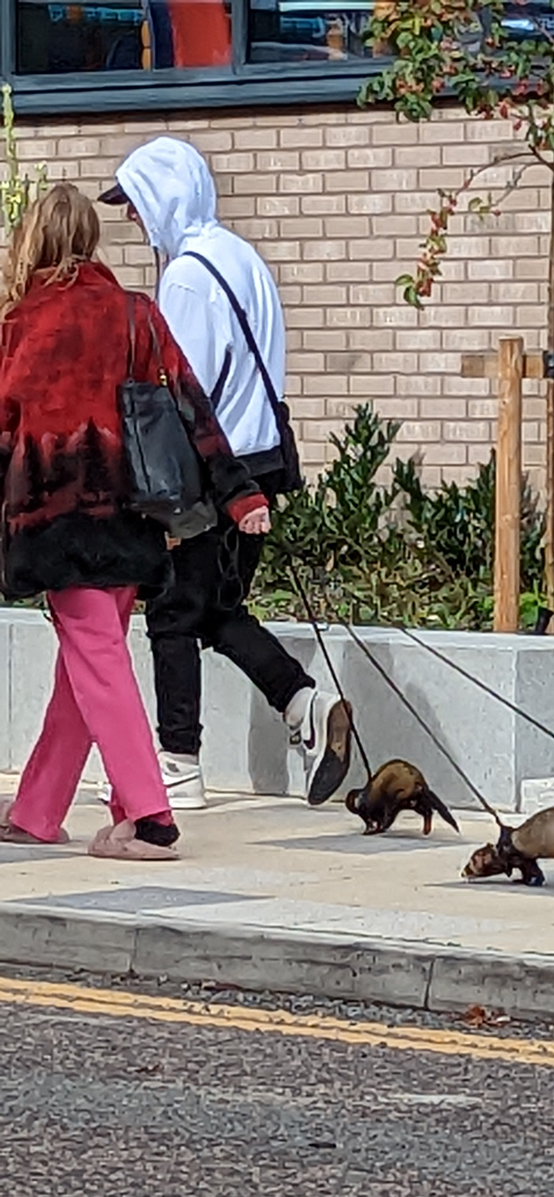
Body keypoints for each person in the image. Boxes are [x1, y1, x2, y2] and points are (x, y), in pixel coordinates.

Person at [0, 184, 270, 859]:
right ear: (90, 240)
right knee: (87, 664)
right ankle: (37, 809)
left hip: (58, 522)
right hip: (133, 514)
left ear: (31, 242)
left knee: (95, 660)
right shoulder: (135, 314)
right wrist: (240, 494)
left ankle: (150, 816)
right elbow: (190, 405)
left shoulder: (20, 326)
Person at [97, 136, 351, 811]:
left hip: (211, 473)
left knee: (174, 615)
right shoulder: (243, 258)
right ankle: (302, 701)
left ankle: (178, 764)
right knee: (215, 609)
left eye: (134, 202)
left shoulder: (185, 276)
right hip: (261, 463)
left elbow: (181, 391)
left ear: (164, 198)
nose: (131, 218)